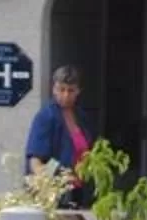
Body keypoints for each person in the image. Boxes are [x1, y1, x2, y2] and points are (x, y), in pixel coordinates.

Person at [23, 64, 94, 207]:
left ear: (78, 91)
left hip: (79, 188)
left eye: (71, 90)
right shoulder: (46, 117)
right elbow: (35, 160)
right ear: (54, 90)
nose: (66, 95)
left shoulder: (81, 117)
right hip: (56, 191)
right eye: (61, 90)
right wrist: (51, 182)